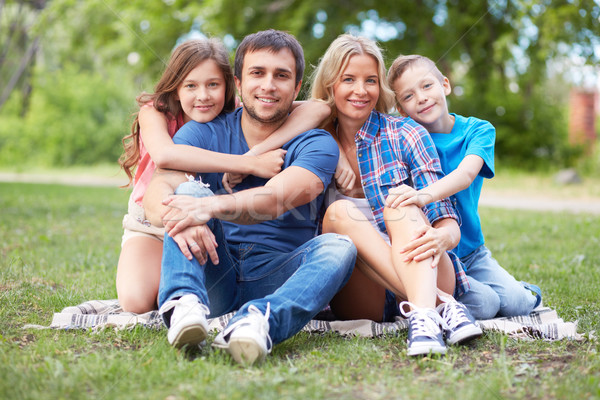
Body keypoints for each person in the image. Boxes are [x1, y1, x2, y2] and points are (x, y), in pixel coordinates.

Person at [143, 29, 357, 365]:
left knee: (340, 247)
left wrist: (207, 206)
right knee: (184, 192)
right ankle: (184, 305)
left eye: (281, 76)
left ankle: (258, 321)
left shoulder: (316, 143)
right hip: (215, 266)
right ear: (238, 84)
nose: (268, 85)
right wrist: (183, 211)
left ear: (296, 87)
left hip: (277, 275)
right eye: (257, 73)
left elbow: (275, 198)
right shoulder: (203, 131)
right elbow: (158, 190)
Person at [115, 38, 330, 313]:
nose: (203, 95)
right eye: (191, 85)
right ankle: (180, 299)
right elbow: (166, 157)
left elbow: (320, 108)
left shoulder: (245, 106)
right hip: (152, 216)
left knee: (193, 199)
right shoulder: (156, 113)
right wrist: (248, 163)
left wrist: (258, 151)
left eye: (213, 85)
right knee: (135, 302)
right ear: (176, 87)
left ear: (230, 86)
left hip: (198, 210)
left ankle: (183, 293)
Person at [310, 34, 481, 356]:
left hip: (428, 267)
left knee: (399, 204)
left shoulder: (406, 132)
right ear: (330, 84)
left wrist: (443, 238)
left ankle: (425, 311)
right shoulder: (313, 140)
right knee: (339, 214)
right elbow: (281, 108)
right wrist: (329, 145)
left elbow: (447, 221)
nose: (361, 90)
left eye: (370, 80)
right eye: (349, 79)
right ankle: (440, 308)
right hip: (363, 296)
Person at [386, 54, 542, 320]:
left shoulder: (478, 130)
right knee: (486, 305)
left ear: (444, 85)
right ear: (401, 110)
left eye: (427, 86)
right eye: (408, 96)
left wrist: (422, 195)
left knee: (518, 304)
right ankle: (431, 301)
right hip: (436, 256)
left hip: (472, 251)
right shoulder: (405, 141)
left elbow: (466, 174)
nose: (421, 98)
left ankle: (521, 289)